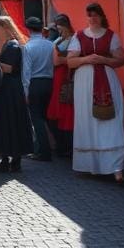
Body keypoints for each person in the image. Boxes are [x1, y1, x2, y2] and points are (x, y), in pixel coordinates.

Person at [66, 2, 124, 182]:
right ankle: (92, 164)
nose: (92, 18)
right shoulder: (78, 36)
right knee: (88, 120)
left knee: (112, 121)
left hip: (107, 80)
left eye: (95, 15)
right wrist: (87, 59)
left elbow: (121, 59)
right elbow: (70, 62)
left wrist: (102, 59)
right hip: (85, 84)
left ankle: (116, 167)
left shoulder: (111, 36)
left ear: (101, 16)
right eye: (89, 15)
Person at [0, 16, 36, 171]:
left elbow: (9, 68)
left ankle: (15, 159)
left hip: (11, 90)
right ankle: (5, 157)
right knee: (3, 123)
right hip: (3, 89)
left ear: (6, 28)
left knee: (12, 123)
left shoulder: (13, 46)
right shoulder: (4, 45)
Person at [21, 16, 54, 162]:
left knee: (37, 118)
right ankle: (57, 145)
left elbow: (26, 72)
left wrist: (25, 92)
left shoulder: (28, 47)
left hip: (35, 83)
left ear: (28, 29)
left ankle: (43, 151)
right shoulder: (50, 44)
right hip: (49, 81)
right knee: (47, 116)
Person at [46, 14, 75, 158]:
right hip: (57, 74)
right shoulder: (61, 38)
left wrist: (60, 59)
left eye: (59, 26)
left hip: (65, 75)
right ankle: (61, 144)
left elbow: (69, 59)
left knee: (64, 108)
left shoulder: (73, 39)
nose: (58, 29)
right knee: (55, 112)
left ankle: (66, 145)